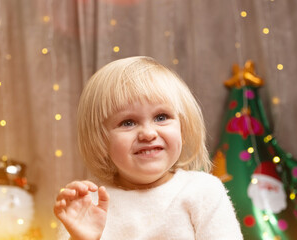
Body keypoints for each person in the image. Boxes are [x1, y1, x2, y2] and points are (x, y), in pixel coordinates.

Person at [54, 56, 243, 240]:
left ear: (183, 128)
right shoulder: (88, 204)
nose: (148, 133)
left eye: (161, 117)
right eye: (128, 122)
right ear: (101, 140)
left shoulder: (203, 190)